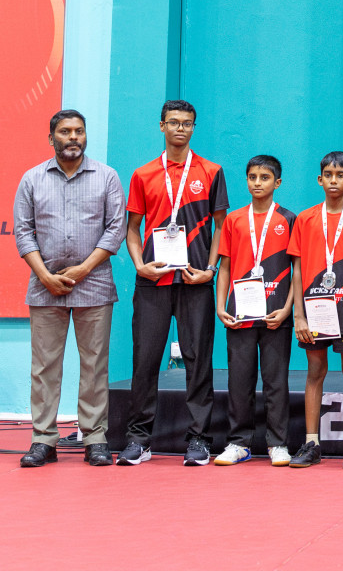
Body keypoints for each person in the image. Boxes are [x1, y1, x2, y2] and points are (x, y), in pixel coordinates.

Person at [14, 109, 125, 468]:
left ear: (85, 136)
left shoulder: (107, 177)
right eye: (65, 132)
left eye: (79, 131)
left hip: (94, 284)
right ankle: (43, 439)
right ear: (52, 139)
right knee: (44, 366)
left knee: (95, 365)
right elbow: (23, 231)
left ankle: (94, 437)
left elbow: (115, 230)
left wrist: (82, 269)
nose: (73, 137)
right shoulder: (32, 179)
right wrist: (45, 275)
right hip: (45, 286)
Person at [120, 100, 229, 466]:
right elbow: (132, 230)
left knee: (199, 362)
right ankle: (139, 439)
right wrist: (139, 265)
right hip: (153, 280)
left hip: (194, 279)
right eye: (174, 123)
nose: (181, 129)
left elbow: (220, 228)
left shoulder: (211, 171)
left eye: (188, 123)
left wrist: (211, 270)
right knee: (145, 361)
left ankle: (199, 439)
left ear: (193, 128)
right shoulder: (144, 174)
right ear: (162, 126)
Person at [288, 151, 343, 469]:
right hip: (314, 308)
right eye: (328, 174)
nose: (333, 180)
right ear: (319, 179)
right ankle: (311, 442)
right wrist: (298, 314)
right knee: (315, 372)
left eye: (340, 175)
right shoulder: (306, 219)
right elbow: (296, 269)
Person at [213, 156, 297, 466]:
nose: (257, 182)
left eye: (264, 177)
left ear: (277, 182)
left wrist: (287, 309)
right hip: (239, 315)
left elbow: (296, 270)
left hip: (276, 315)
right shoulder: (235, 220)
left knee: (276, 382)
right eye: (252, 176)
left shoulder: (289, 219)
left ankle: (277, 443)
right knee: (239, 380)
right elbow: (225, 267)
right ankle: (239, 443)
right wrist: (221, 306)